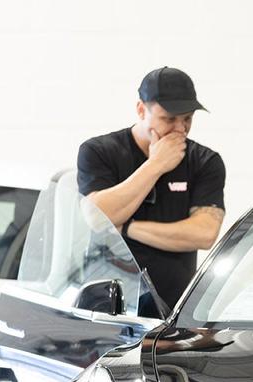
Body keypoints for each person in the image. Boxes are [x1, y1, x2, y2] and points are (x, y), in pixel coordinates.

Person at [77, 66, 227, 311]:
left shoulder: (204, 161)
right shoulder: (99, 151)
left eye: (187, 119)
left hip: (171, 309)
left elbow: (205, 233)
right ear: (141, 110)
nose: (180, 129)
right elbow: (97, 217)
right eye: (169, 119)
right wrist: (156, 165)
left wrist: (127, 227)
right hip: (106, 304)